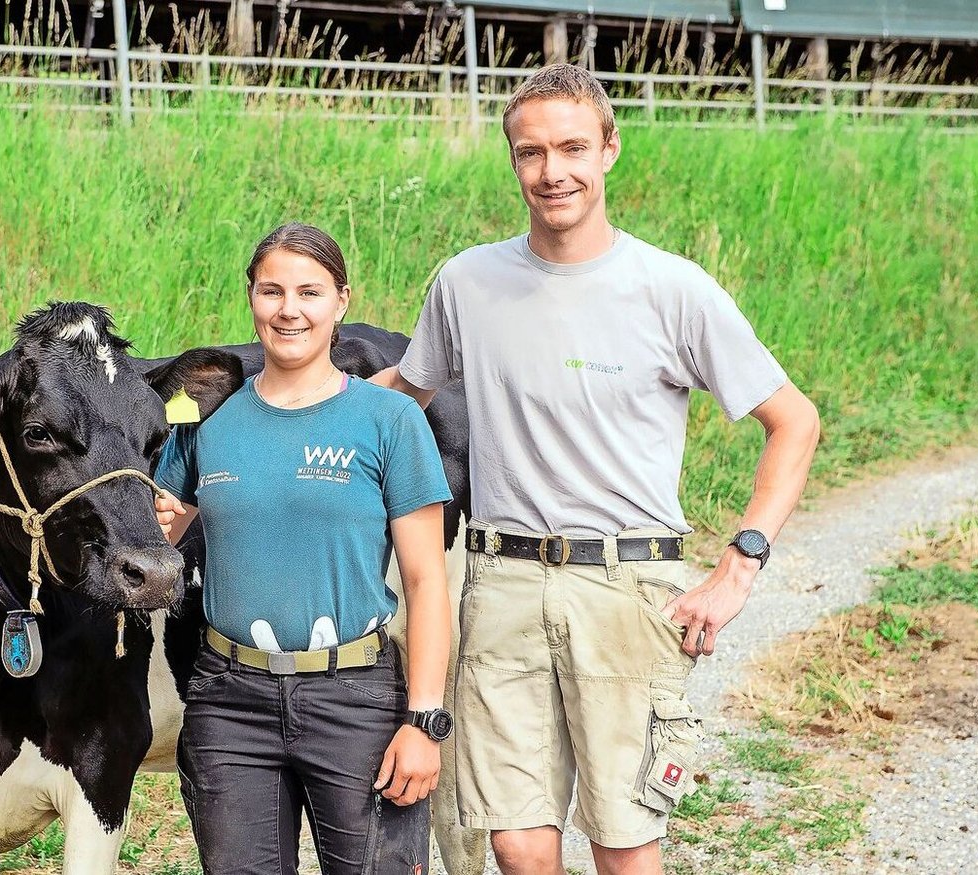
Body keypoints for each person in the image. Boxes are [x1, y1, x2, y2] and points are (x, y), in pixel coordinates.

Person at [370, 65, 821, 875]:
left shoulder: (671, 289)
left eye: (573, 147)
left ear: (609, 149)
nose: (553, 171)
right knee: (515, 839)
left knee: (622, 842)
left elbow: (794, 420)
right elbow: (400, 393)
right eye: (531, 152)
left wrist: (738, 567)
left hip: (625, 586)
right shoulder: (467, 281)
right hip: (501, 581)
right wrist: (267, 409)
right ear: (512, 161)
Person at [153, 222, 455, 875]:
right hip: (229, 702)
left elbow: (428, 581)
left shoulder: (389, 419)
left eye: (309, 291)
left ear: (341, 300)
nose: (289, 309)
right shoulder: (204, 418)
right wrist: (162, 522)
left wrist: (424, 719)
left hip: (356, 698)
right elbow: (162, 534)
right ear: (252, 298)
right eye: (273, 290)